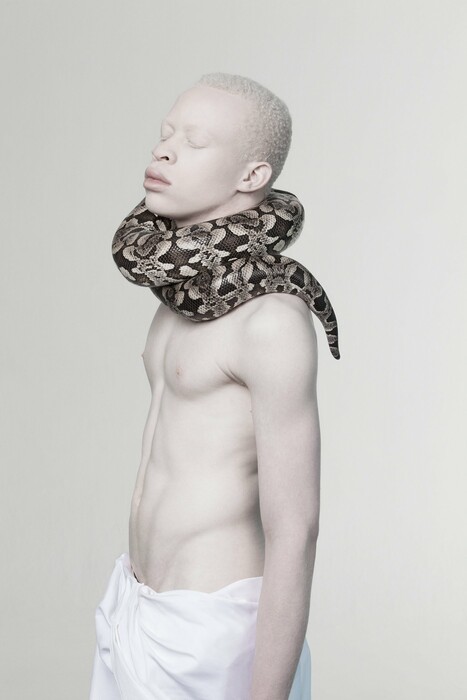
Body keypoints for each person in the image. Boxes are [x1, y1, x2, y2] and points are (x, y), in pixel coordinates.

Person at [90, 72, 339, 700]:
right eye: (166, 134)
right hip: (134, 607)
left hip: (213, 633)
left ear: (252, 176)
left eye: (195, 143)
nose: (164, 151)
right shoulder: (178, 296)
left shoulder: (270, 322)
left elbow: (296, 531)